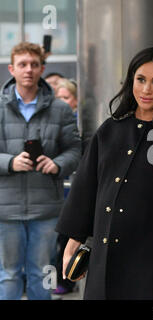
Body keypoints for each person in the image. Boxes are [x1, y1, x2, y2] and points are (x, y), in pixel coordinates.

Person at [55, 47, 153, 300]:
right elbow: (86, 188)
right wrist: (72, 243)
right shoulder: (110, 129)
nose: (146, 90)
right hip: (105, 257)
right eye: (141, 80)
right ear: (130, 80)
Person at [0, 42, 81, 300]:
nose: (29, 70)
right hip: (5, 209)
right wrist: (9, 162)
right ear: (12, 69)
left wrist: (57, 164)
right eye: (22, 64)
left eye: (34, 65)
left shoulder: (60, 109)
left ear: (42, 68)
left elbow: (75, 150)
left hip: (46, 208)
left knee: (42, 273)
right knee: (9, 274)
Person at [52, 78, 79, 295]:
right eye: (58, 97)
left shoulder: (78, 124)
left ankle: (67, 280)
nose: (62, 102)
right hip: (59, 192)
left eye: (66, 97)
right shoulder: (55, 122)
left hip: (75, 193)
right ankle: (60, 279)